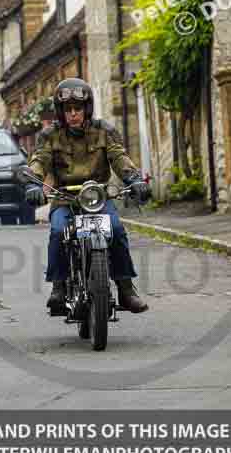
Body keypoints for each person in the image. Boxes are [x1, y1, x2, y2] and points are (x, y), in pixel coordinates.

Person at [24, 78, 152, 314]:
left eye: (78, 109)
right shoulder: (49, 135)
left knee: (116, 229)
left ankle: (125, 289)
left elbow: (120, 157)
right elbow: (38, 161)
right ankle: (59, 287)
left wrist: (134, 180)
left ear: (87, 109)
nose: (73, 114)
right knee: (57, 231)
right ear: (61, 111)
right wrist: (33, 184)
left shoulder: (104, 131)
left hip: (98, 197)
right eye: (68, 109)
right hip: (64, 198)